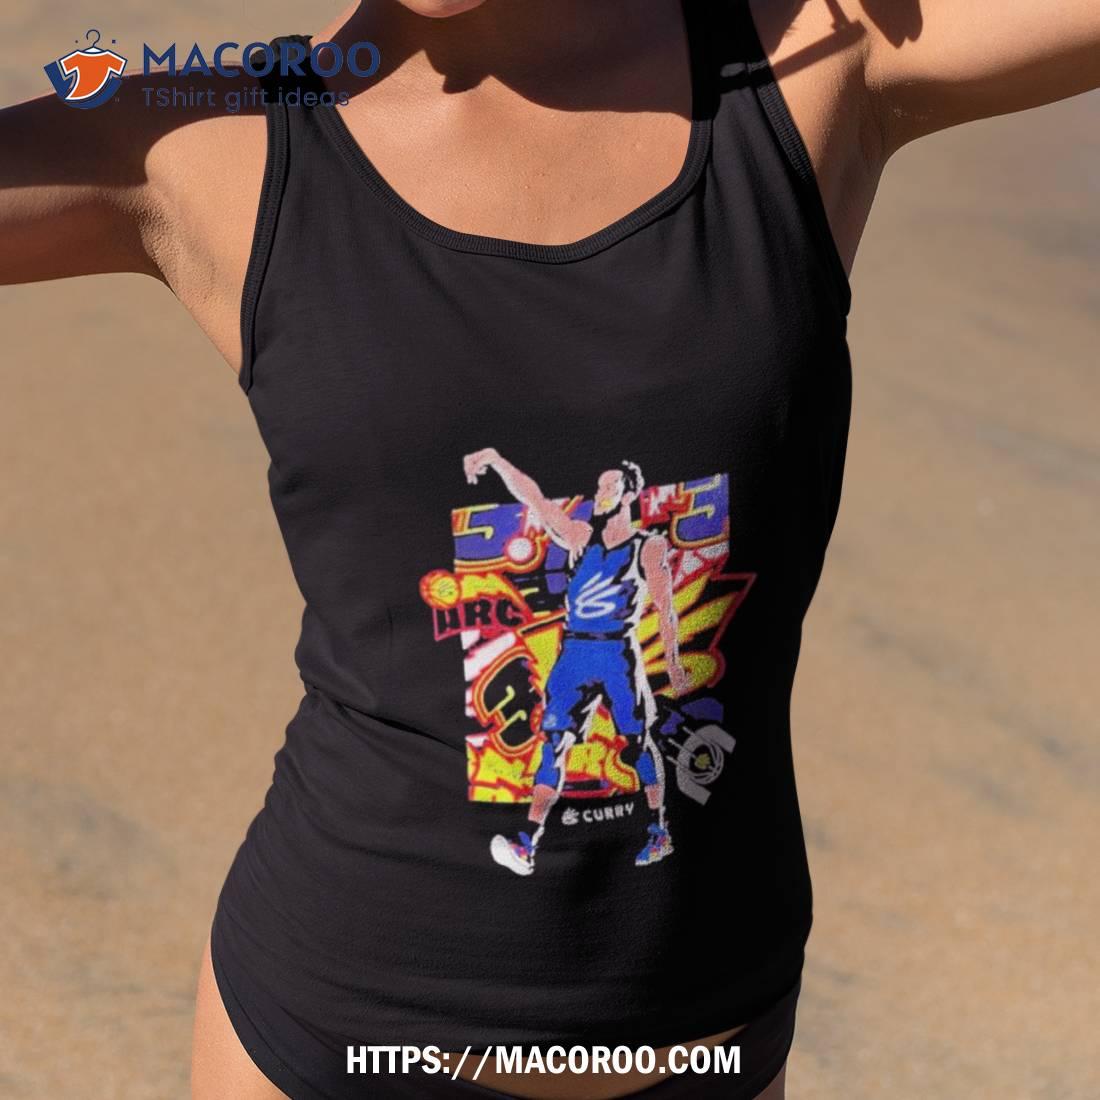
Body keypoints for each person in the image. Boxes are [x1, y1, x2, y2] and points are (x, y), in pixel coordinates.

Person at [2, 2, 1097, 1098]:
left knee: (630, 740)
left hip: (710, 1026)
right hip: (332, 1032)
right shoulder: (198, 142)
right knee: (570, 735)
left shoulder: (809, 62)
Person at [462, 450, 687, 874]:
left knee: (637, 743)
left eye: (609, 487)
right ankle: (527, 842)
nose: (600, 494)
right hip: (575, 654)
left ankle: (658, 830)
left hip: (617, 653)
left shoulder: (647, 546)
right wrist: (496, 461)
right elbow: (536, 500)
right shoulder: (581, 536)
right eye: (599, 487)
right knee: (554, 744)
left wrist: (672, 663)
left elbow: (665, 609)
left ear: (629, 494)